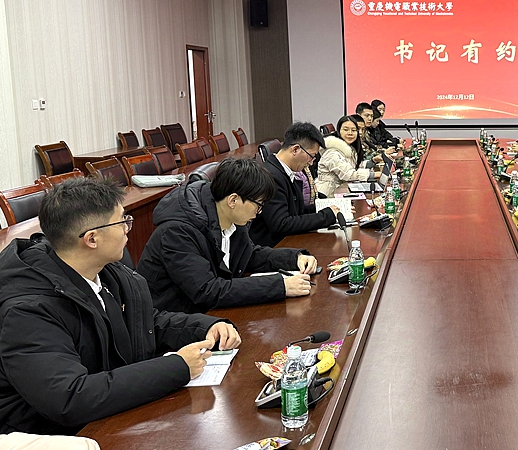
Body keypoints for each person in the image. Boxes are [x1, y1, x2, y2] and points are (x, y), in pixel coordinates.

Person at [0, 178, 241, 435]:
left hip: (107, 416)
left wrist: (205, 326)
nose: (128, 229)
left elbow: (142, 323)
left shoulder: (103, 271)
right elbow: (70, 398)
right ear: (92, 239)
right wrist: (178, 367)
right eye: (122, 221)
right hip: (55, 435)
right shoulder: (27, 310)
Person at [138, 158, 319, 314]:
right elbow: (207, 290)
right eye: (258, 205)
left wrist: (294, 258)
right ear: (233, 200)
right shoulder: (177, 232)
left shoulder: (230, 217)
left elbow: (249, 255)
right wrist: (280, 286)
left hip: (207, 316)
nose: (259, 212)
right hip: (175, 321)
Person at [249, 122, 339, 247]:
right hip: (274, 247)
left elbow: (297, 210)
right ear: (295, 149)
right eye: (311, 156)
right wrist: (325, 216)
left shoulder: (286, 170)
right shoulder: (271, 176)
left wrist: (323, 207)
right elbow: (281, 224)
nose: (311, 163)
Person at [314, 115, 381, 198]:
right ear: (339, 130)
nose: (350, 133)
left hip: (341, 191)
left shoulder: (349, 148)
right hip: (327, 195)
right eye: (346, 130)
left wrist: (373, 161)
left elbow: (353, 166)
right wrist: (374, 175)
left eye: (353, 130)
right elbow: (349, 175)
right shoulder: (332, 152)